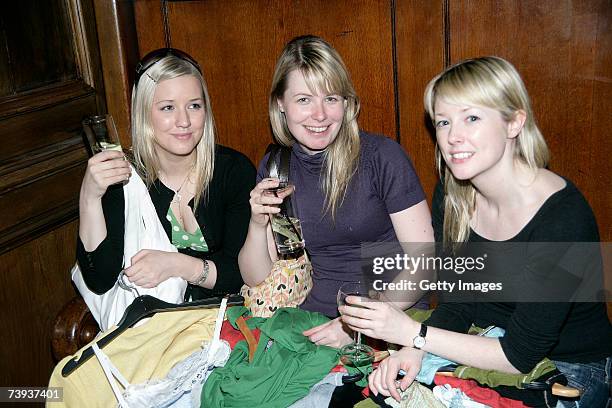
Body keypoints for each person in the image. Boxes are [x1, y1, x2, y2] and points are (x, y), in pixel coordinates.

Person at [339, 56, 612, 406]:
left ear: (514, 122)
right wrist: (413, 350)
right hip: (483, 340)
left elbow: (519, 356)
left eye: (471, 118)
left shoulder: (563, 219)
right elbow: (461, 299)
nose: (453, 137)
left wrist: (414, 334)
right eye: (443, 122)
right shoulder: (454, 195)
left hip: (571, 367)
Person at [238, 35, 434, 347]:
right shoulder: (276, 168)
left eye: (331, 98)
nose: (320, 115)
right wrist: (256, 222)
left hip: (391, 317)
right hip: (315, 321)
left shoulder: (381, 157)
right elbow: (256, 278)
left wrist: (354, 326)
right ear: (280, 104)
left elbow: (424, 262)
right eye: (304, 100)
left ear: (346, 102)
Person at [77, 48, 255, 301]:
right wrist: (89, 197)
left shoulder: (232, 170)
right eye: (168, 107)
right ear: (144, 114)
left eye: (194, 105)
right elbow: (100, 280)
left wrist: (177, 265)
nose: (184, 121)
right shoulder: (125, 177)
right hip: (152, 322)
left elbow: (245, 275)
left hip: (225, 319)